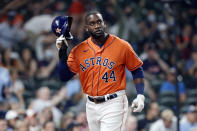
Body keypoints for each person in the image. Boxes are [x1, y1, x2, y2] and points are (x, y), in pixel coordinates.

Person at [55, 11, 145, 131]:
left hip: (114, 102)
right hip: (91, 104)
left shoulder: (122, 45)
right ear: (87, 28)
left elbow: (136, 69)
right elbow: (64, 77)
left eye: (99, 22)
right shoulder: (79, 50)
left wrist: (140, 95)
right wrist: (62, 55)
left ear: (104, 24)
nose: (97, 25)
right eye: (92, 23)